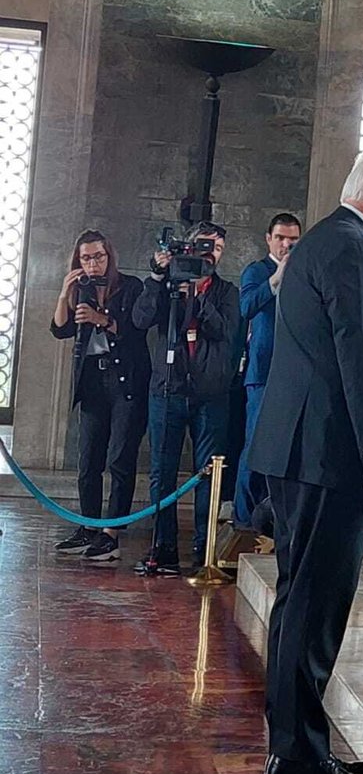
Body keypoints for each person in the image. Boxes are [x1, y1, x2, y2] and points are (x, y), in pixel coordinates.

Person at [247, 151, 363, 774]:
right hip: (330, 458)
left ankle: (294, 747)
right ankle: (298, 757)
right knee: (316, 608)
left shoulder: (325, 239)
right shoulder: (353, 249)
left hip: (298, 451)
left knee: (300, 602)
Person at [132, 222, 239, 575]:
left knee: (208, 474)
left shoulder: (226, 292)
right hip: (168, 391)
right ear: (189, 247)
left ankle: (203, 551)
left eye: (219, 248)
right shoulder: (168, 284)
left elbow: (223, 330)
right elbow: (141, 318)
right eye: (206, 245)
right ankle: (162, 549)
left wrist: (196, 295)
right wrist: (158, 278)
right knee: (162, 473)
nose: (212, 252)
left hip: (210, 395)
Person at [49, 230, 150, 562]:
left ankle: (112, 533)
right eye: (86, 258)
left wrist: (101, 320)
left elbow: (136, 329)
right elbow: (60, 329)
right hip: (92, 381)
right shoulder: (80, 289)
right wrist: (65, 292)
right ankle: (88, 526)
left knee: (120, 459)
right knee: (88, 459)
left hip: (126, 382)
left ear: (109, 257)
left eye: (98, 257)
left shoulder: (131, 286)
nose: (92, 264)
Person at [235, 212, 303, 530]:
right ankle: (244, 521)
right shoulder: (256, 271)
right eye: (280, 238)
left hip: (294, 377)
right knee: (254, 446)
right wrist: (277, 278)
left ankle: (274, 520)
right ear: (268, 239)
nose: (286, 244)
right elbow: (247, 307)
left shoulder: (304, 273)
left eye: (293, 239)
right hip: (262, 373)